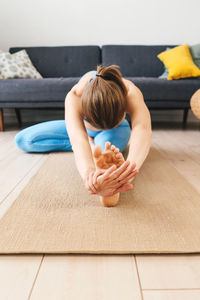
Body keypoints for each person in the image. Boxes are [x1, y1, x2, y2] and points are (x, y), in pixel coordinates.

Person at [15, 64, 152, 206]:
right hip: (85, 131)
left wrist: (129, 171)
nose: (103, 127)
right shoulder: (75, 96)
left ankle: (101, 157)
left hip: (115, 133)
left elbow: (143, 129)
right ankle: (93, 147)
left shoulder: (130, 92)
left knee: (106, 155)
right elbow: (78, 139)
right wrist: (89, 175)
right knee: (24, 140)